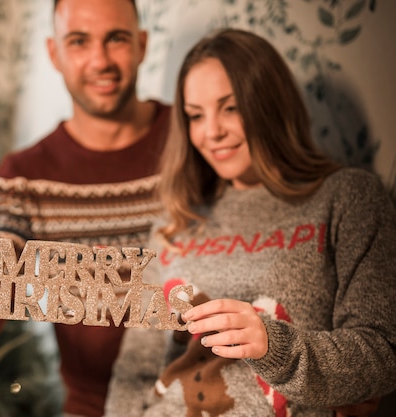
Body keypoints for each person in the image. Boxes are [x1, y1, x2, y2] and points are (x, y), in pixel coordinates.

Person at [105, 28, 396, 417]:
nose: (212, 132)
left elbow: (382, 352)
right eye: (195, 115)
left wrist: (272, 345)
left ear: (269, 103)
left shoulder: (348, 197)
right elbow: (136, 370)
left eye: (231, 107)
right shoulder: (174, 222)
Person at [0, 1, 171, 416]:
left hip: (212, 397)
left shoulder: (198, 140)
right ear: (54, 53)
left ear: (141, 44)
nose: (100, 60)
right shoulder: (23, 177)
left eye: (115, 38)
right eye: (79, 41)